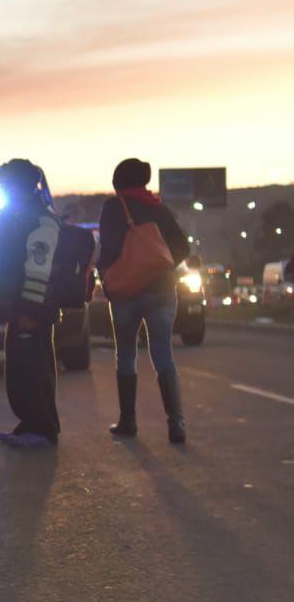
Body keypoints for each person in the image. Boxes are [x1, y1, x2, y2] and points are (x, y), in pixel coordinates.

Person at [99, 158, 190, 443]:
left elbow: (109, 248)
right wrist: (161, 265)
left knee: (126, 354)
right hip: (162, 289)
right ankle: (176, 424)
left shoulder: (114, 207)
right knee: (163, 353)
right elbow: (183, 247)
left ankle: (128, 421)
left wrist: (106, 274)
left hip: (126, 291)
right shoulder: (159, 208)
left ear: (118, 181)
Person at [0, 159, 62, 449]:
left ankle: (42, 429)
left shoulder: (38, 219)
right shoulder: (19, 216)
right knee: (20, 369)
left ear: (16, 185)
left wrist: (30, 311)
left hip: (31, 309)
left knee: (33, 370)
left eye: (3, 182)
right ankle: (29, 425)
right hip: (19, 307)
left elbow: (39, 268)